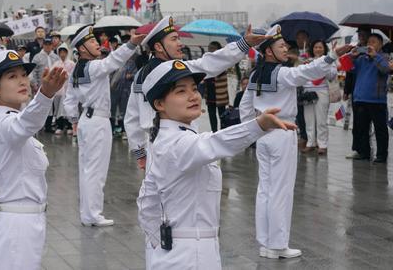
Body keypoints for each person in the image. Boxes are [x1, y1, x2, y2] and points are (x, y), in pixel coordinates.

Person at [137, 60, 296, 269]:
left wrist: (155, 241)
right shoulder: (173, 143)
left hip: (189, 248)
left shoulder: (174, 135)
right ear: (159, 104)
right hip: (185, 255)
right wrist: (258, 126)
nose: (193, 96)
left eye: (194, 89)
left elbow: (147, 201)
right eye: (181, 91)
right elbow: (215, 143)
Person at [239, 25, 352, 259]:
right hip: (282, 131)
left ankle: (266, 243)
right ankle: (278, 245)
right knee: (280, 190)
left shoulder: (255, 75)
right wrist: (333, 55)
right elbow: (309, 71)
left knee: (265, 190)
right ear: (268, 51)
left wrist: (253, 131)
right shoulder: (282, 73)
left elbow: (245, 107)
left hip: (263, 134)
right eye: (281, 46)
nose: (285, 49)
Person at [124, 16, 263, 170]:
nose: (180, 44)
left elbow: (132, 117)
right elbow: (210, 62)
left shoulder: (140, 75)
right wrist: (244, 44)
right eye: (174, 39)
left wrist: (139, 152)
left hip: (154, 146)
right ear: (158, 46)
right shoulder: (174, 70)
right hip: (178, 143)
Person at [0, 50, 67, 270]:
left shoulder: (13, 120)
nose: (22, 81)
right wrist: (46, 95)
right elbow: (25, 124)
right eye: (12, 77)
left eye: (23, 74)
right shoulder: (3, 125)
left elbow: (26, 122)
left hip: (29, 223)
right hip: (14, 228)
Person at [63, 25, 145, 226]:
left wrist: (74, 120)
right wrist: (131, 44)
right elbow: (113, 61)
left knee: (86, 169)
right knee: (96, 171)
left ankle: (87, 213)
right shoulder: (92, 67)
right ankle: (94, 215)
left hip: (86, 121)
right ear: (82, 49)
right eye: (92, 42)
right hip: (97, 121)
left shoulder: (77, 70)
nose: (97, 44)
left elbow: (69, 100)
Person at [347, 33, 391, 162]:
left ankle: (382, 156)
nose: (370, 44)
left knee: (380, 129)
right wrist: (352, 57)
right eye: (369, 42)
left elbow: (385, 70)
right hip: (360, 98)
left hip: (377, 100)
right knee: (362, 128)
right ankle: (364, 153)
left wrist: (375, 56)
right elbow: (349, 69)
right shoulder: (361, 59)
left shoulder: (384, 57)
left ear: (381, 45)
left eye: (374, 42)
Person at [301, 40, 337, 155]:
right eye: (316, 47)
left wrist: (323, 67)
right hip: (308, 91)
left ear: (324, 49)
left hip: (322, 91)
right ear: (312, 49)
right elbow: (301, 75)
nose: (318, 49)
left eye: (320, 47)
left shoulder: (329, 60)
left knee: (321, 120)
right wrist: (305, 65)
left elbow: (332, 75)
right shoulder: (308, 60)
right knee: (309, 119)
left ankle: (322, 145)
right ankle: (310, 143)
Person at [32, 36, 59, 132]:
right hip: (41, 85)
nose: (48, 46)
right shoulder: (37, 57)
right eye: (46, 44)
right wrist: (34, 84)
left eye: (49, 44)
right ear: (43, 45)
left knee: (52, 105)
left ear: (52, 45)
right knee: (40, 105)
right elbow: (33, 72)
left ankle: (48, 126)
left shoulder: (56, 57)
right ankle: (38, 126)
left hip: (54, 85)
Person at [203, 41, 230, 132]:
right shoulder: (206, 60)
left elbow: (218, 72)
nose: (210, 50)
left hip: (219, 93)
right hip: (210, 91)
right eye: (209, 48)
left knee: (222, 114)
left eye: (212, 48)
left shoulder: (222, 61)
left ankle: (222, 131)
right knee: (211, 114)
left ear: (218, 50)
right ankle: (214, 132)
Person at [53, 44, 75, 135]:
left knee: (68, 107)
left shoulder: (71, 63)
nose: (62, 54)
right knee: (59, 108)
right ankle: (59, 126)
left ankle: (69, 125)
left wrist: (67, 76)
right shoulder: (56, 64)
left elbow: (73, 76)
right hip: (59, 90)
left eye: (64, 52)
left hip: (68, 89)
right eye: (61, 52)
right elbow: (53, 75)